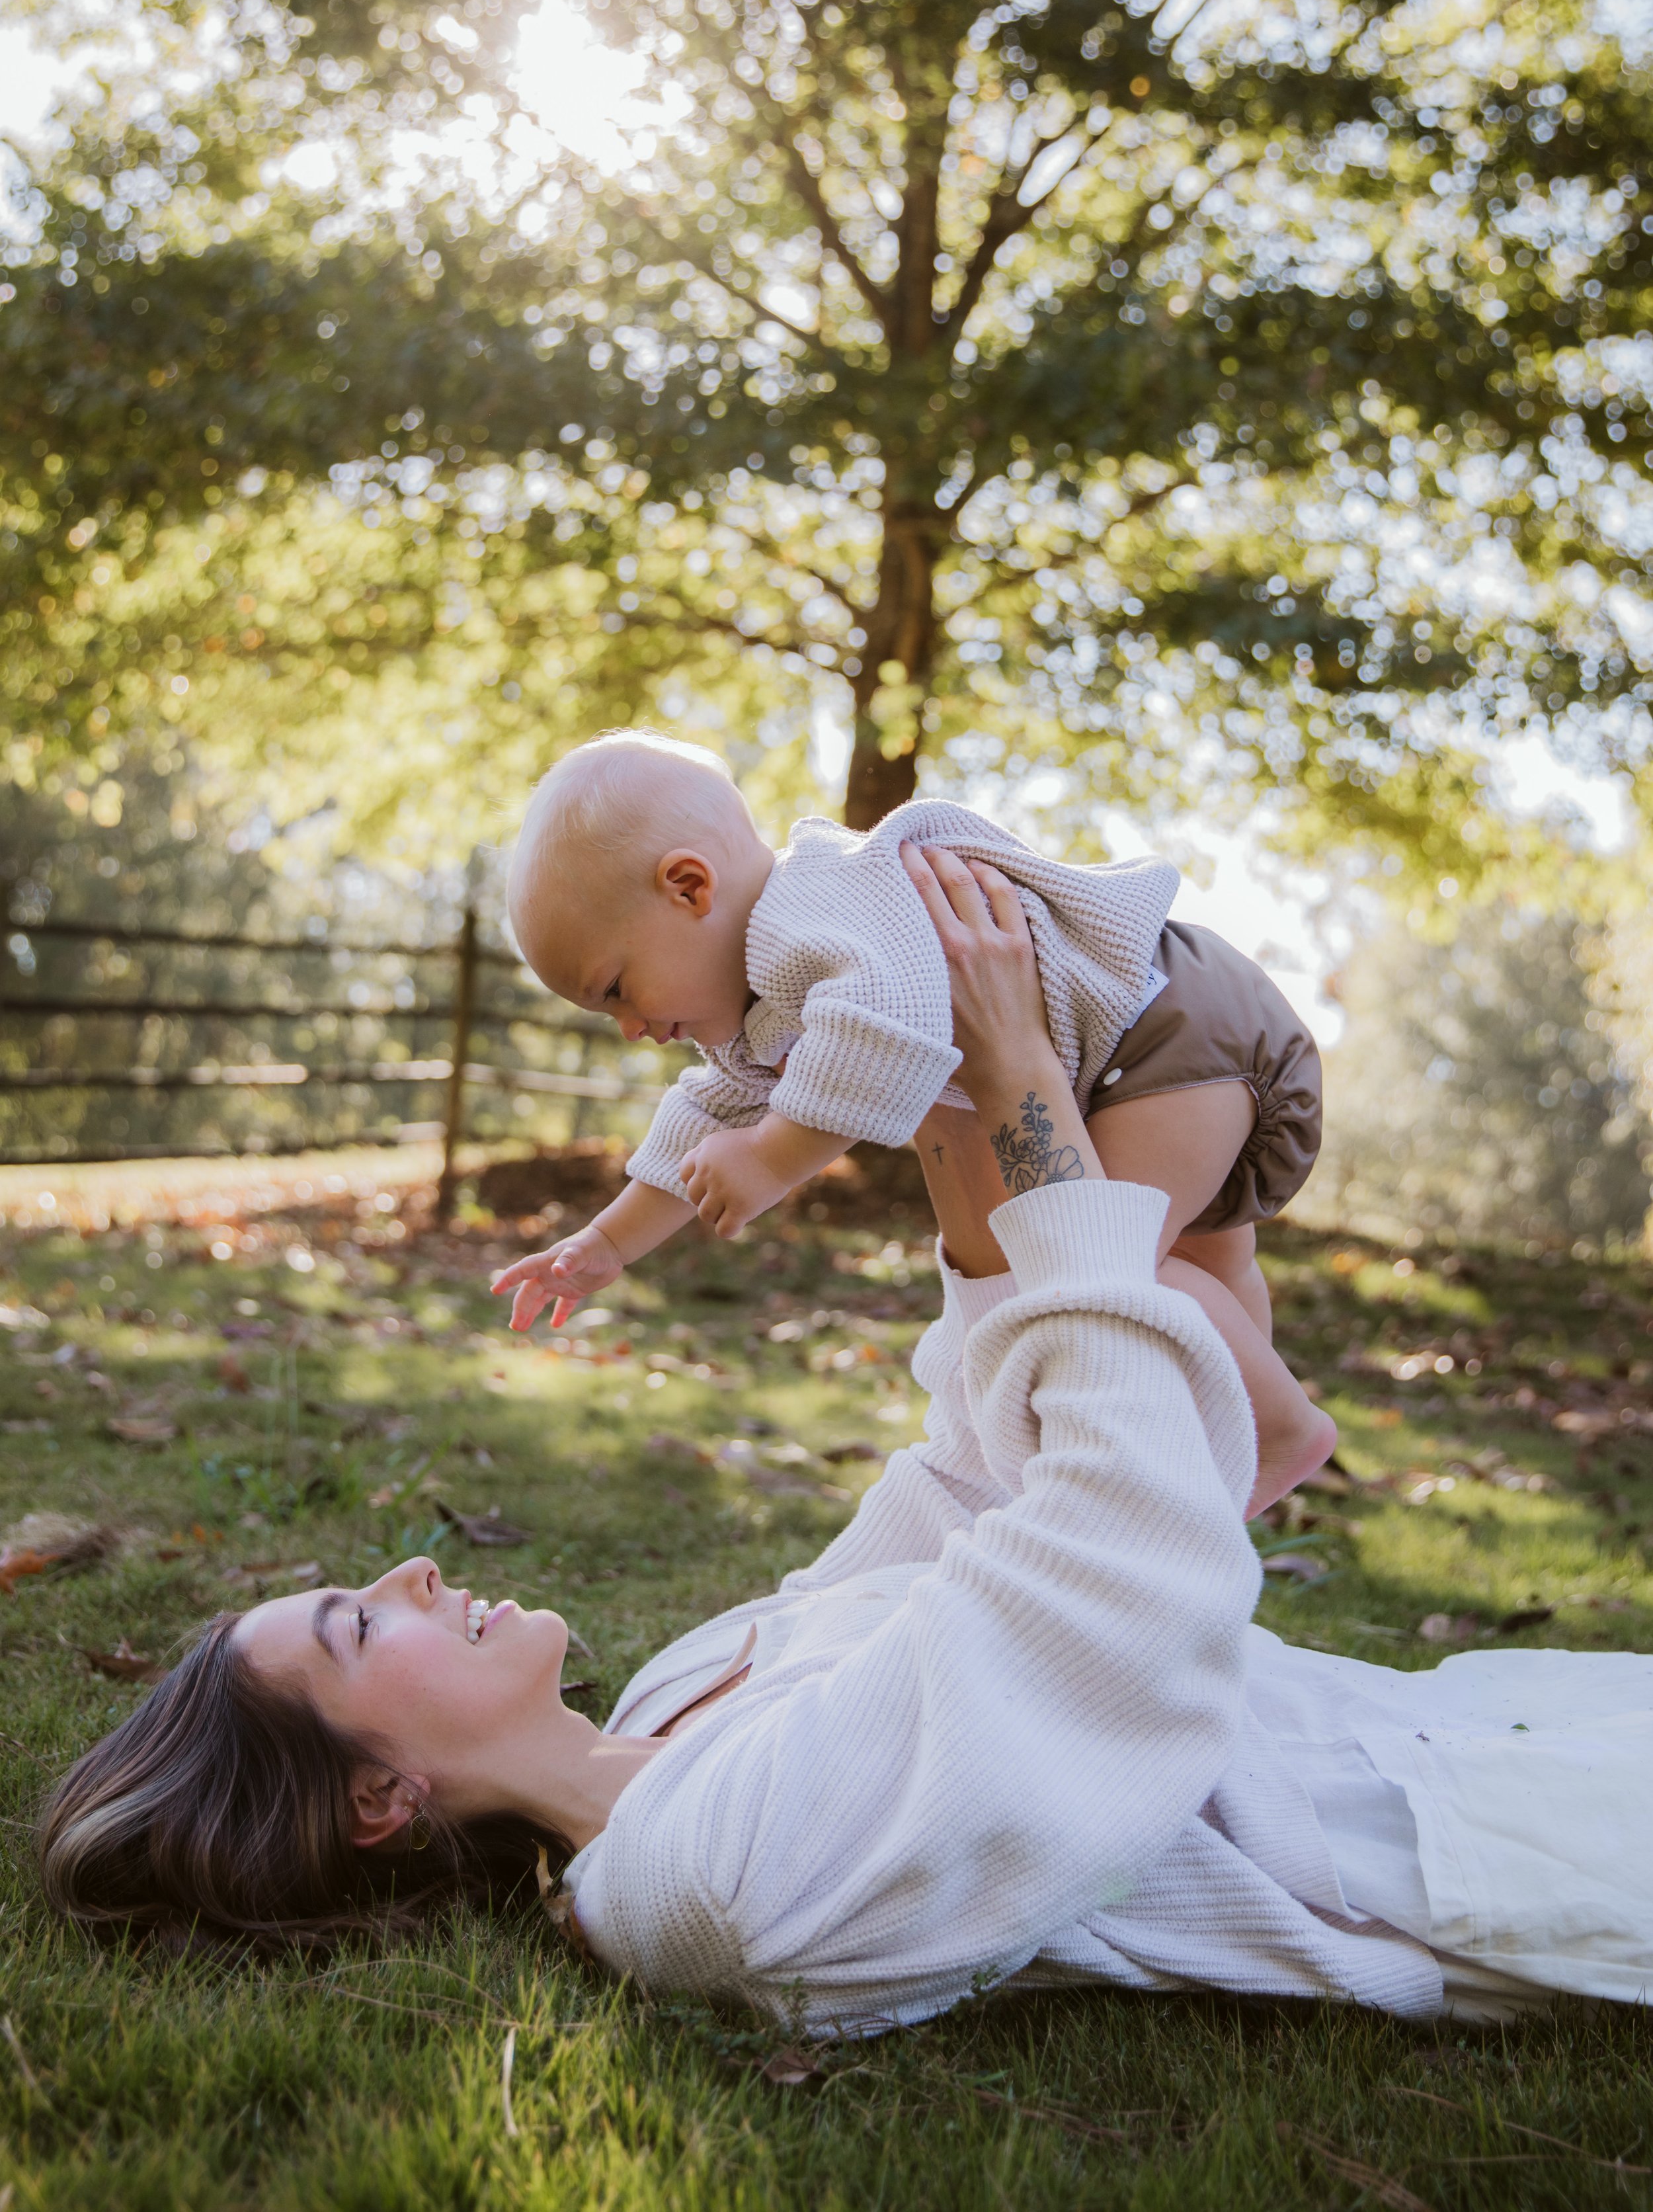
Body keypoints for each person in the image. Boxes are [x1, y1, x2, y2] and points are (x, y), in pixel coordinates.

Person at [39, 845, 1653, 2030]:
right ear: (382, 1798)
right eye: (353, 1619)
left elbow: (969, 1488)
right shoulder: (707, 1880)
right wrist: (1029, 1107)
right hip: (1462, 1841)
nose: (404, 1565)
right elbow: (1121, 1556)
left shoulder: (684, 1692)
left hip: (1454, 1724)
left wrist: (973, 1192)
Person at [497, 730, 1332, 1514]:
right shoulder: (763, 1001)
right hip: (1176, 1036)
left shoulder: (814, 916)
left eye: (615, 989)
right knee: (1206, 1260)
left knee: (1112, 1272)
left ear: (689, 888)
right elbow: (701, 1113)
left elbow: (882, 1038)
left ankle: (1274, 1433)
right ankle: (1225, 1433)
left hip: (1159, 1032)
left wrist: (769, 1158)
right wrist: (606, 1245)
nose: (631, 1028)